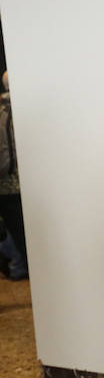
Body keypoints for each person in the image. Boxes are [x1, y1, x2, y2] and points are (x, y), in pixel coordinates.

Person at [0, 71, 27, 281]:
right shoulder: (20, 109)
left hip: (5, 182)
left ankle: (17, 264)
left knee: (16, 228)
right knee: (22, 231)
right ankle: (19, 266)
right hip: (16, 181)